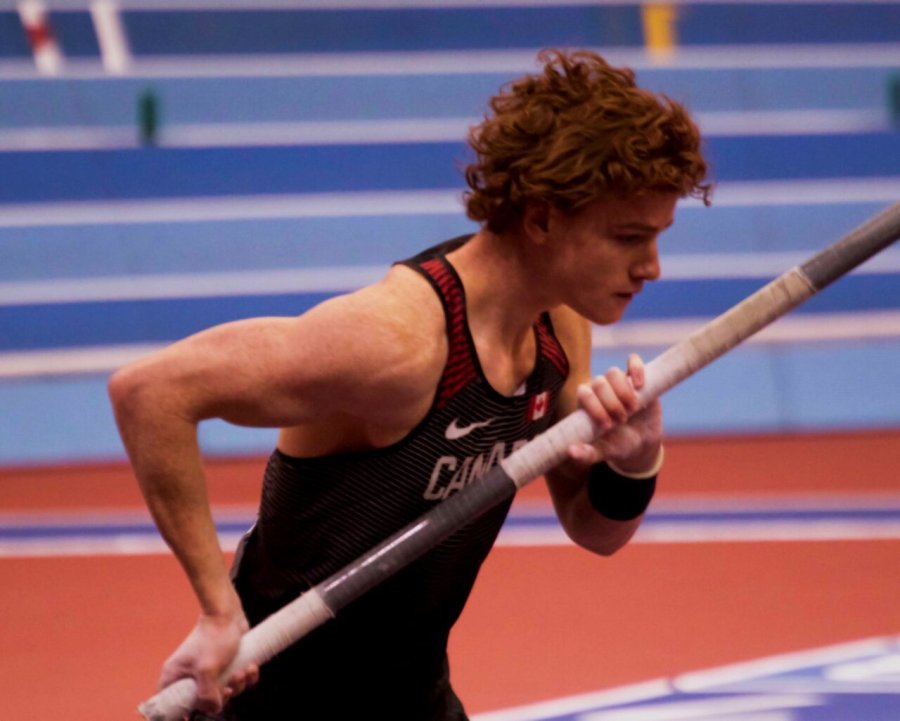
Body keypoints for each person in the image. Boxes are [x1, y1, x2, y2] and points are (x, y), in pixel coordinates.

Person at [109, 48, 710, 720]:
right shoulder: (398, 343)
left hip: (413, 695)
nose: (652, 266)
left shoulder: (556, 325)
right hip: (276, 703)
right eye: (629, 238)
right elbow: (150, 391)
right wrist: (218, 611)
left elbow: (596, 530)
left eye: (657, 237)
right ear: (542, 219)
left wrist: (634, 461)